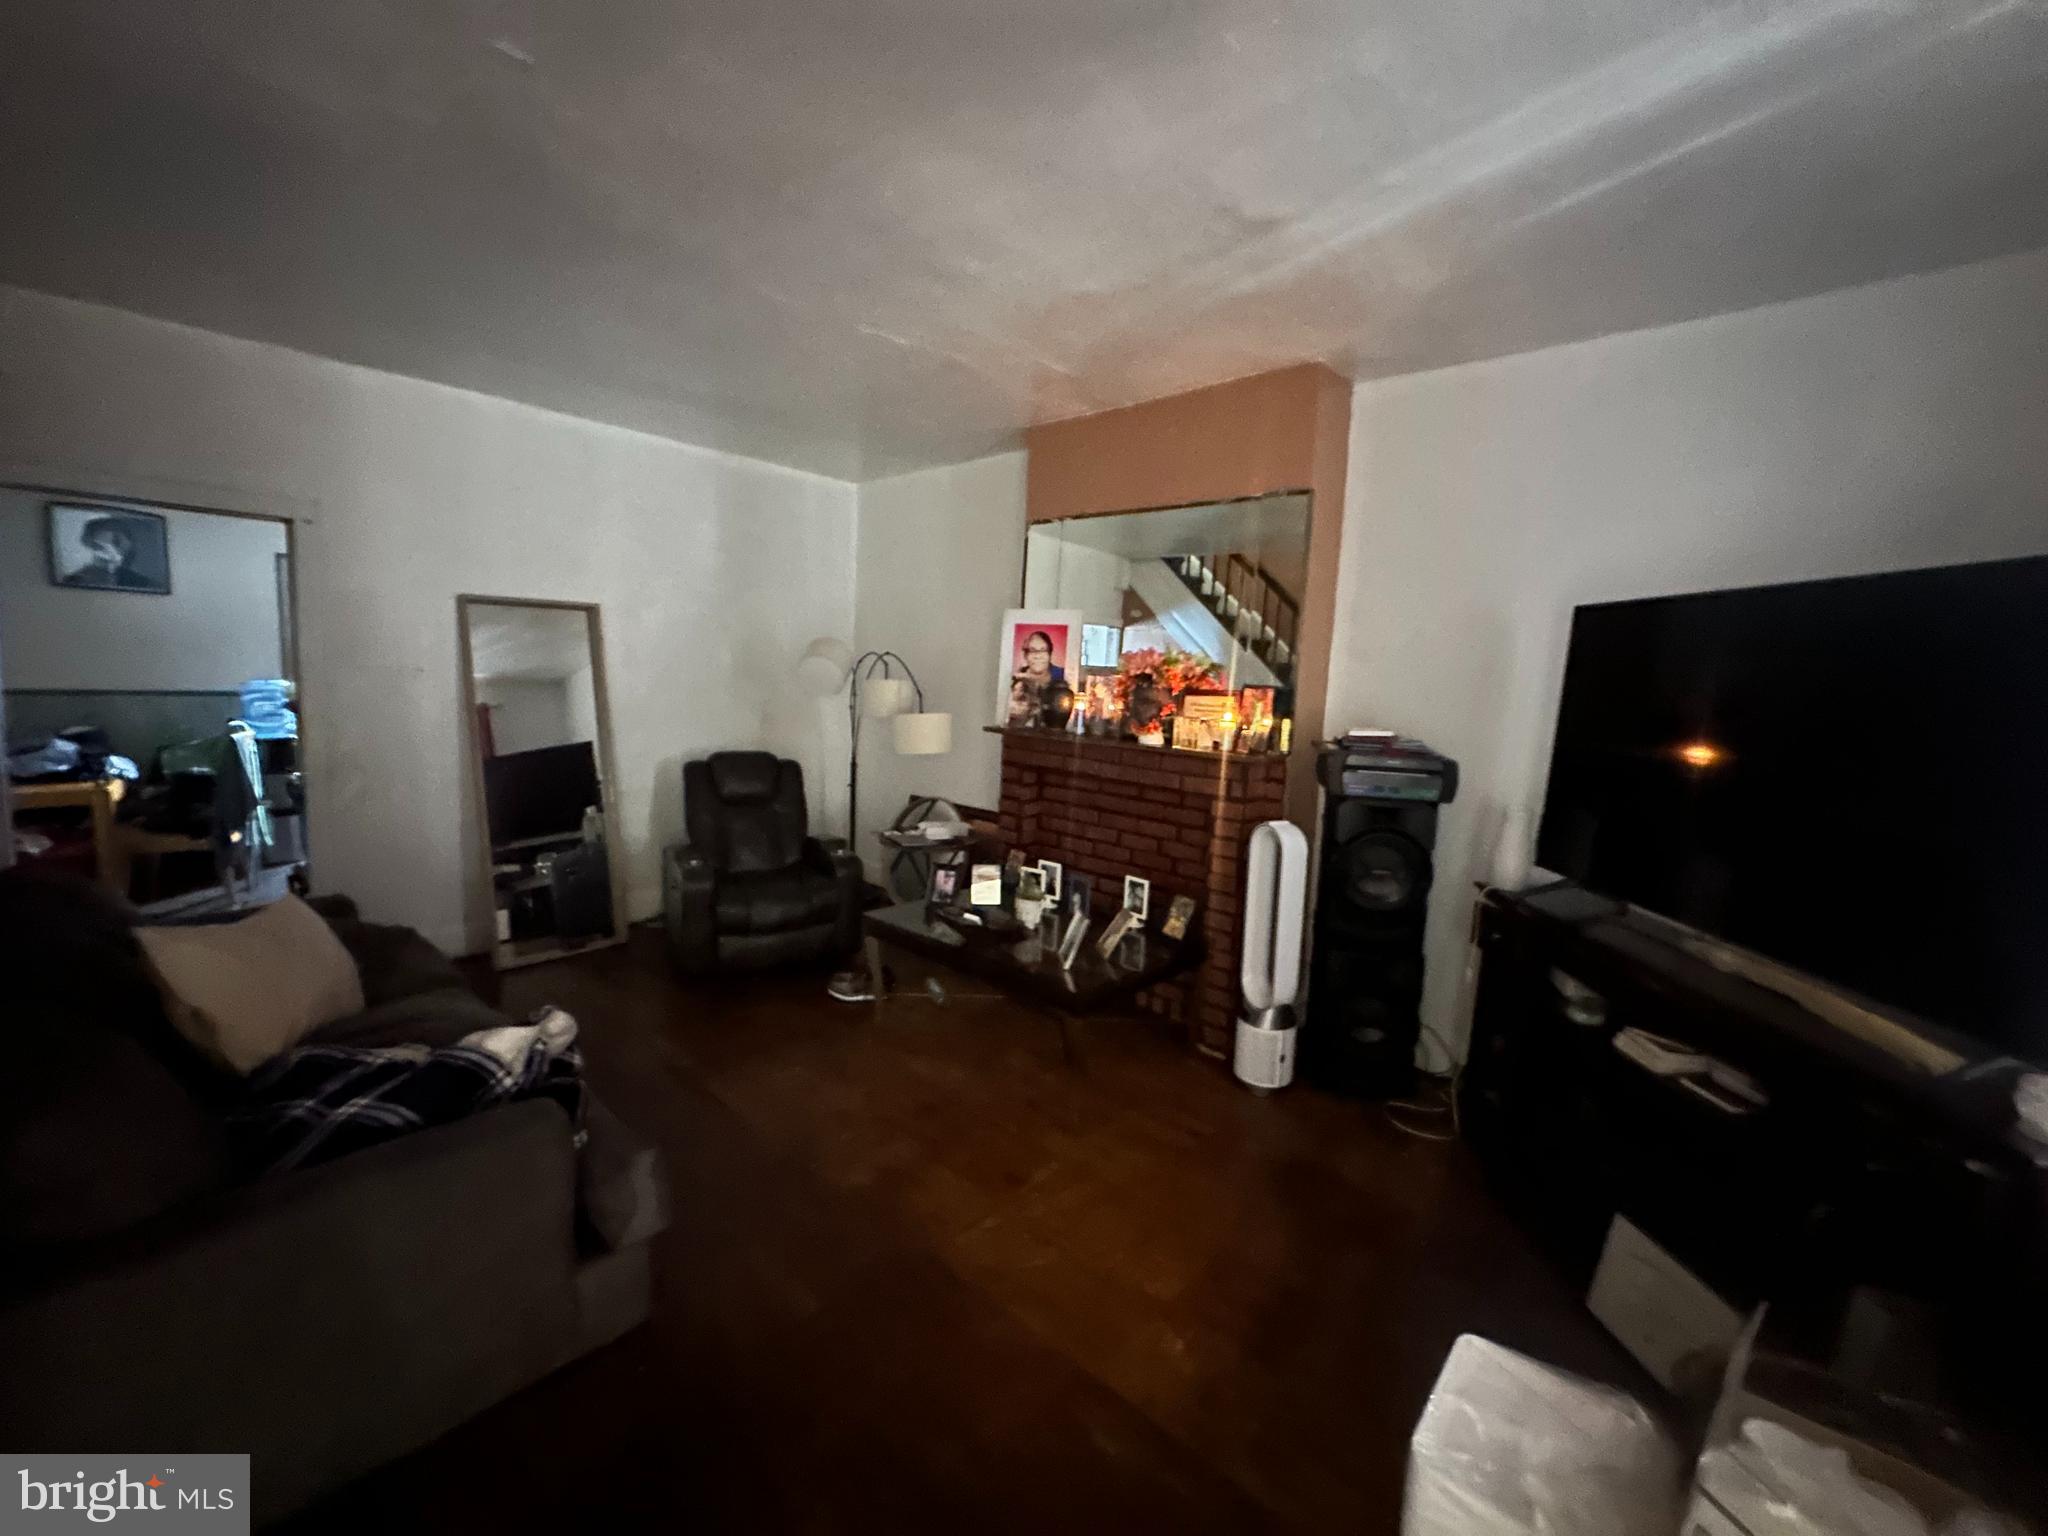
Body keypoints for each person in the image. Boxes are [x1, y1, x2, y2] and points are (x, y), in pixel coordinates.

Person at [61, 513, 156, 590]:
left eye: (117, 541)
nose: (110, 549)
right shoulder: (75, 580)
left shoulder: (145, 584)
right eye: (99, 546)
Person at [1007, 629, 1066, 725]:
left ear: (1050, 654)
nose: (1038, 656)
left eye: (1043, 650)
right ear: (1026, 655)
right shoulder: (1017, 678)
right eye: (1032, 651)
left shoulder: (1062, 675)